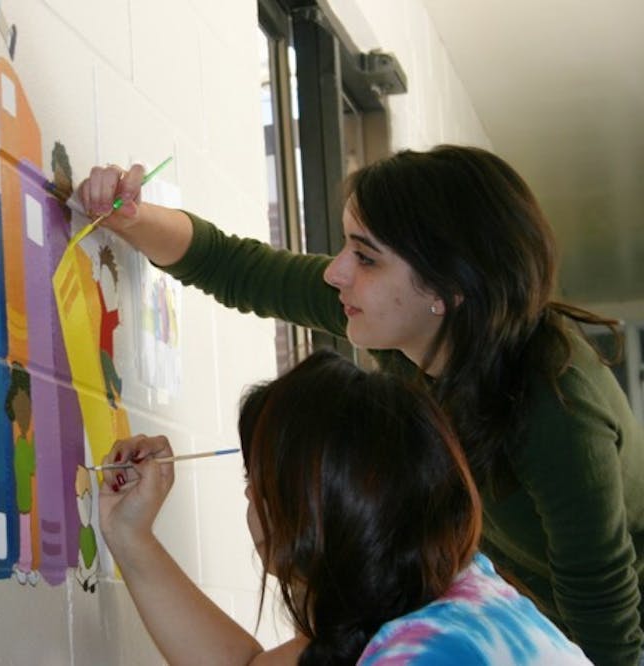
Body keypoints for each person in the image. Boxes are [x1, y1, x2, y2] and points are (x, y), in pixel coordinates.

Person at [78, 145, 644, 665]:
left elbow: (607, 620)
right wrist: (130, 218)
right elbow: (236, 268)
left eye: (366, 258)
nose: (335, 271)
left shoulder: (559, 411)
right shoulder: (401, 329)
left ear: (446, 293)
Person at [99, 350, 591, 664]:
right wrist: (132, 536)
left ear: (316, 512)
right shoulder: (455, 590)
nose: (249, 497)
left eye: (257, 482)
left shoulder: (425, 654)